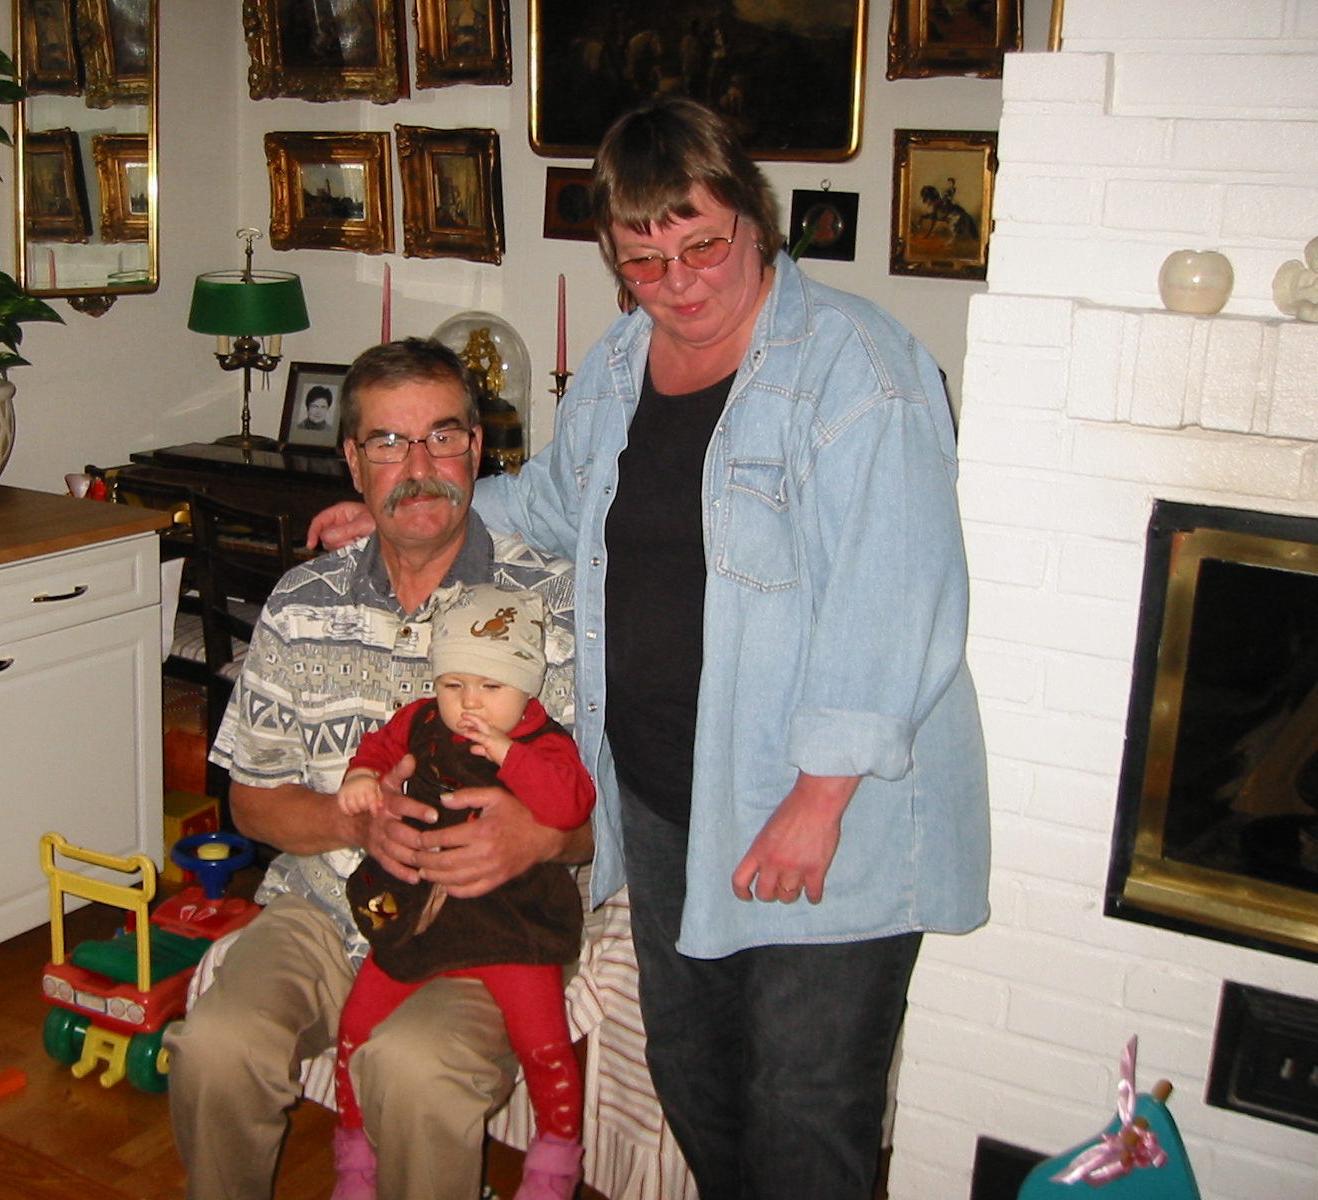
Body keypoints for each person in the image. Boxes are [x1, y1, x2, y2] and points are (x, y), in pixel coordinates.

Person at [309, 96, 990, 1200]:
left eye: (702, 246)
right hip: (671, 799)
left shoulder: (858, 370)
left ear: (754, 219)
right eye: (643, 260)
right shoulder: (624, 362)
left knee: (806, 1101)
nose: (679, 283)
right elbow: (551, 500)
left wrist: (818, 798)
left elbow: (898, 594)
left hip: (823, 806)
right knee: (693, 1068)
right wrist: (417, 509)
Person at [165, 338, 589, 1200]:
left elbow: (607, 812)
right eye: (391, 443)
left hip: (485, 927)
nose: (420, 468)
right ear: (354, 462)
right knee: (213, 1049)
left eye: (442, 437)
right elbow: (251, 801)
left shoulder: (552, 603)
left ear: (477, 448)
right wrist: (346, 822)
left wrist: (540, 839)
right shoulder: (301, 602)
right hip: (324, 904)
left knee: (414, 1070)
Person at [332, 583, 594, 1200]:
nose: (469, 702)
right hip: (420, 915)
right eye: (453, 685)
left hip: (513, 924)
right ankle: (354, 1157)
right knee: (355, 1025)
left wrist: (507, 754)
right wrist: (363, 776)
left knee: (545, 1045)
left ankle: (554, 1165)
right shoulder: (423, 721)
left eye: (491, 687)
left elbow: (571, 804)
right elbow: (381, 745)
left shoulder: (545, 743)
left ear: (527, 687)